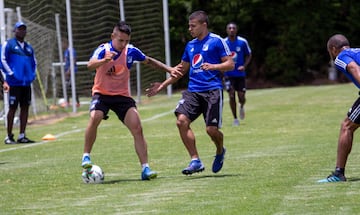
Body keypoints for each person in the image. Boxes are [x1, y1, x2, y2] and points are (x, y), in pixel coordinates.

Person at [81, 21, 181, 180]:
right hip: (102, 94)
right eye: (120, 40)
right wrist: (104, 61)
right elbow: (90, 65)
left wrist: (170, 70)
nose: (123, 44)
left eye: (126, 40)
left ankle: (145, 169)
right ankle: (86, 156)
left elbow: (149, 61)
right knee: (95, 117)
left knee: (137, 127)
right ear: (113, 36)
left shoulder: (131, 51)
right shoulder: (103, 50)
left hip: (122, 96)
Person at [146, 11, 234, 175]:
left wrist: (214, 67)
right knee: (181, 121)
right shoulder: (190, 46)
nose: (189, 29)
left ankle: (220, 150)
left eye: (193, 26)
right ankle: (195, 160)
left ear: (203, 25)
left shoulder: (217, 41)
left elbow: (230, 64)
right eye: (189, 25)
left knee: (211, 131)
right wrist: (162, 86)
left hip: (212, 91)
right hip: (193, 91)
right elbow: (181, 71)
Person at [318, 34, 360, 182]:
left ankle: (338, 174)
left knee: (346, 126)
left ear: (333, 49)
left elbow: (353, 67)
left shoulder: (341, 56)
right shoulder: (357, 51)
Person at [1, 21, 36, 144]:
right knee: (12, 108)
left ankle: (22, 135)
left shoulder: (28, 47)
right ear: (14, 31)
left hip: (26, 83)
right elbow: (2, 60)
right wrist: (11, 74)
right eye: (19, 29)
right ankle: (9, 136)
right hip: (14, 83)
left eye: (23, 29)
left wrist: (32, 75)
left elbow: (33, 63)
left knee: (25, 107)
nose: (22, 31)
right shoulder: (8, 44)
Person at [223, 22, 252, 126]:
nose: (231, 30)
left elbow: (249, 55)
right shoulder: (223, 43)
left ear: (236, 30)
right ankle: (235, 119)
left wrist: (244, 66)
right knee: (231, 95)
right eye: (229, 28)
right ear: (227, 30)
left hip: (240, 74)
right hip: (228, 75)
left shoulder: (242, 42)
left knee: (241, 96)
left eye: (233, 28)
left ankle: (242, 105)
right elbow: (219, 57)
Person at [62, 38, 80, 107]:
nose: (61, 45)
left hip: (72, 72)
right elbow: (66, 61)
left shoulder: (71, 50)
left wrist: (69, 70)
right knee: (67, 87)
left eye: (62, 43)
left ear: (65, 43)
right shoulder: (66, 51)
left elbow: (73, 61)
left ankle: (77, 102)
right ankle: (68, 102)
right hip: (67, 72)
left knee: (72, 87)